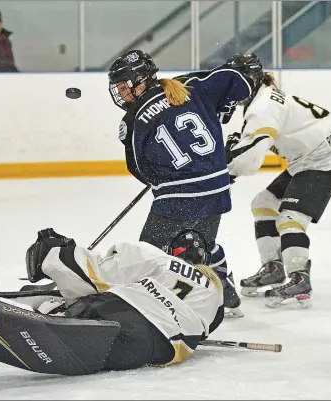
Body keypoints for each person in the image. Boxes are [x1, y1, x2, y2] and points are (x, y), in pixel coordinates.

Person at [0, 228, 224, 375]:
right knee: (78, 341)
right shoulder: (216, 290)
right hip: (157, 345)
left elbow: (101, 274)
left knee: (72, 305)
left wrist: (64, 255)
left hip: (126, 308)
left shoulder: (160, 259)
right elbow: (205, 328)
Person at [108, 49, 256, 318]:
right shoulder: (190, 87)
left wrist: (165, 179)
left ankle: (152, 311)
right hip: (217, 190)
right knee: (204, 245)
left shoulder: (131, 121)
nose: (121, 93)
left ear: (140, 80)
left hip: (178, 197)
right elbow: (238, 82)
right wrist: (237, 73)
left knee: (148, 255)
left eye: (123, 86)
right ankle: (227, 296)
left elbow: (140, 169)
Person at [223, 53, 331, 308]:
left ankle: (299, 276)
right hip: (310, 158)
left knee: (290, 217)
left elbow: (252, 159)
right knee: (264, 202)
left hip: (323, 162)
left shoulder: (262, 108)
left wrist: (227, 171)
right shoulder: (264, 95)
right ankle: (274, 267)